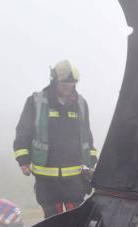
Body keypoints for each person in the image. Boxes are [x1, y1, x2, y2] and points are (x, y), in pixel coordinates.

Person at [13, 60, 98, 218]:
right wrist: (23, 160)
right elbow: (22, 132)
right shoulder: (36, 102)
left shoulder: (81, 104)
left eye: (72, 83)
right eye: (64, 83)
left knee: (75, 221)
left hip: (74, 180)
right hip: (47, 181)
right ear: (54, 81)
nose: (68, 87)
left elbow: (87, 136)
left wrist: (91, 161)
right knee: (53, 223)